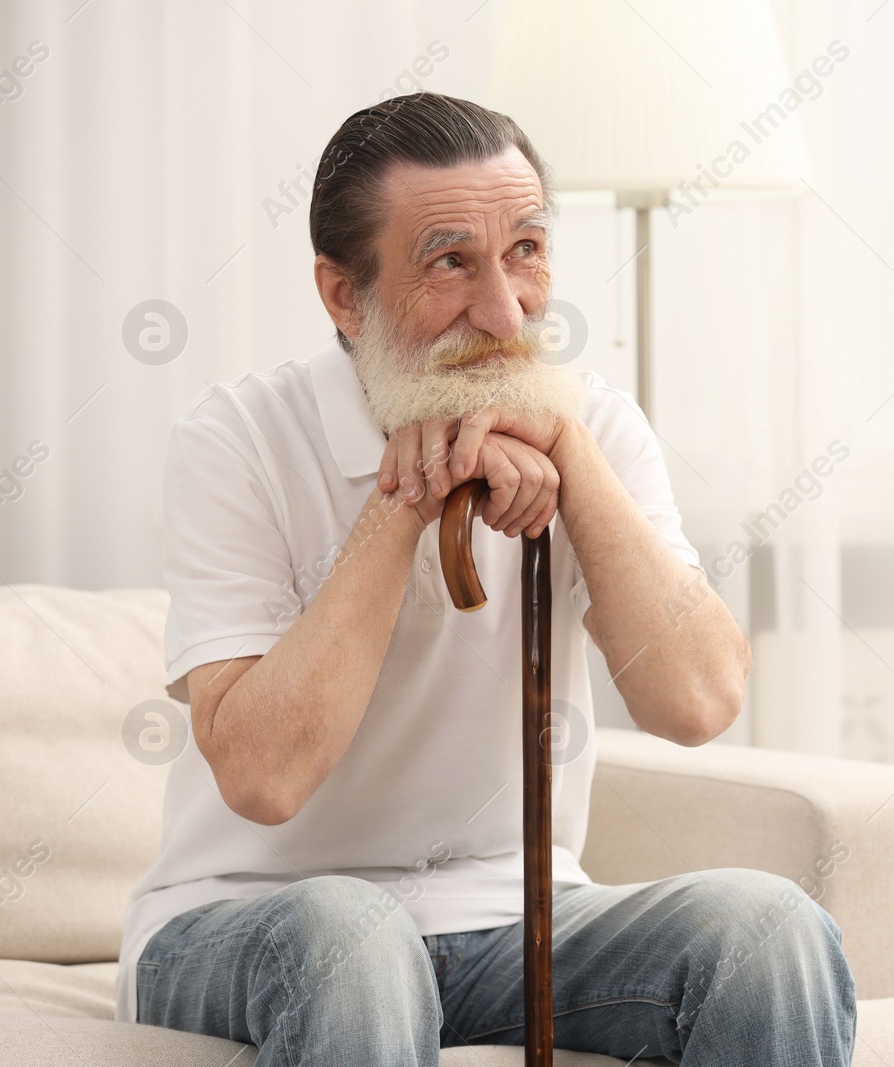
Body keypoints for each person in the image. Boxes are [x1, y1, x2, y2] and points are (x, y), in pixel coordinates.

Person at [117, 91, 856, 1067]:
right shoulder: (238, 438)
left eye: (527, 250)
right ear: (345, 295)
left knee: (766, 929)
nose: (506, 311)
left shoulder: (594, 425)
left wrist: (569, 452)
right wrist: (403, 496)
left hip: (517, 917)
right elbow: (264, 776)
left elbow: (699, 699)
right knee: (353, 932)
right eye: (450, 262)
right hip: (245, 917)